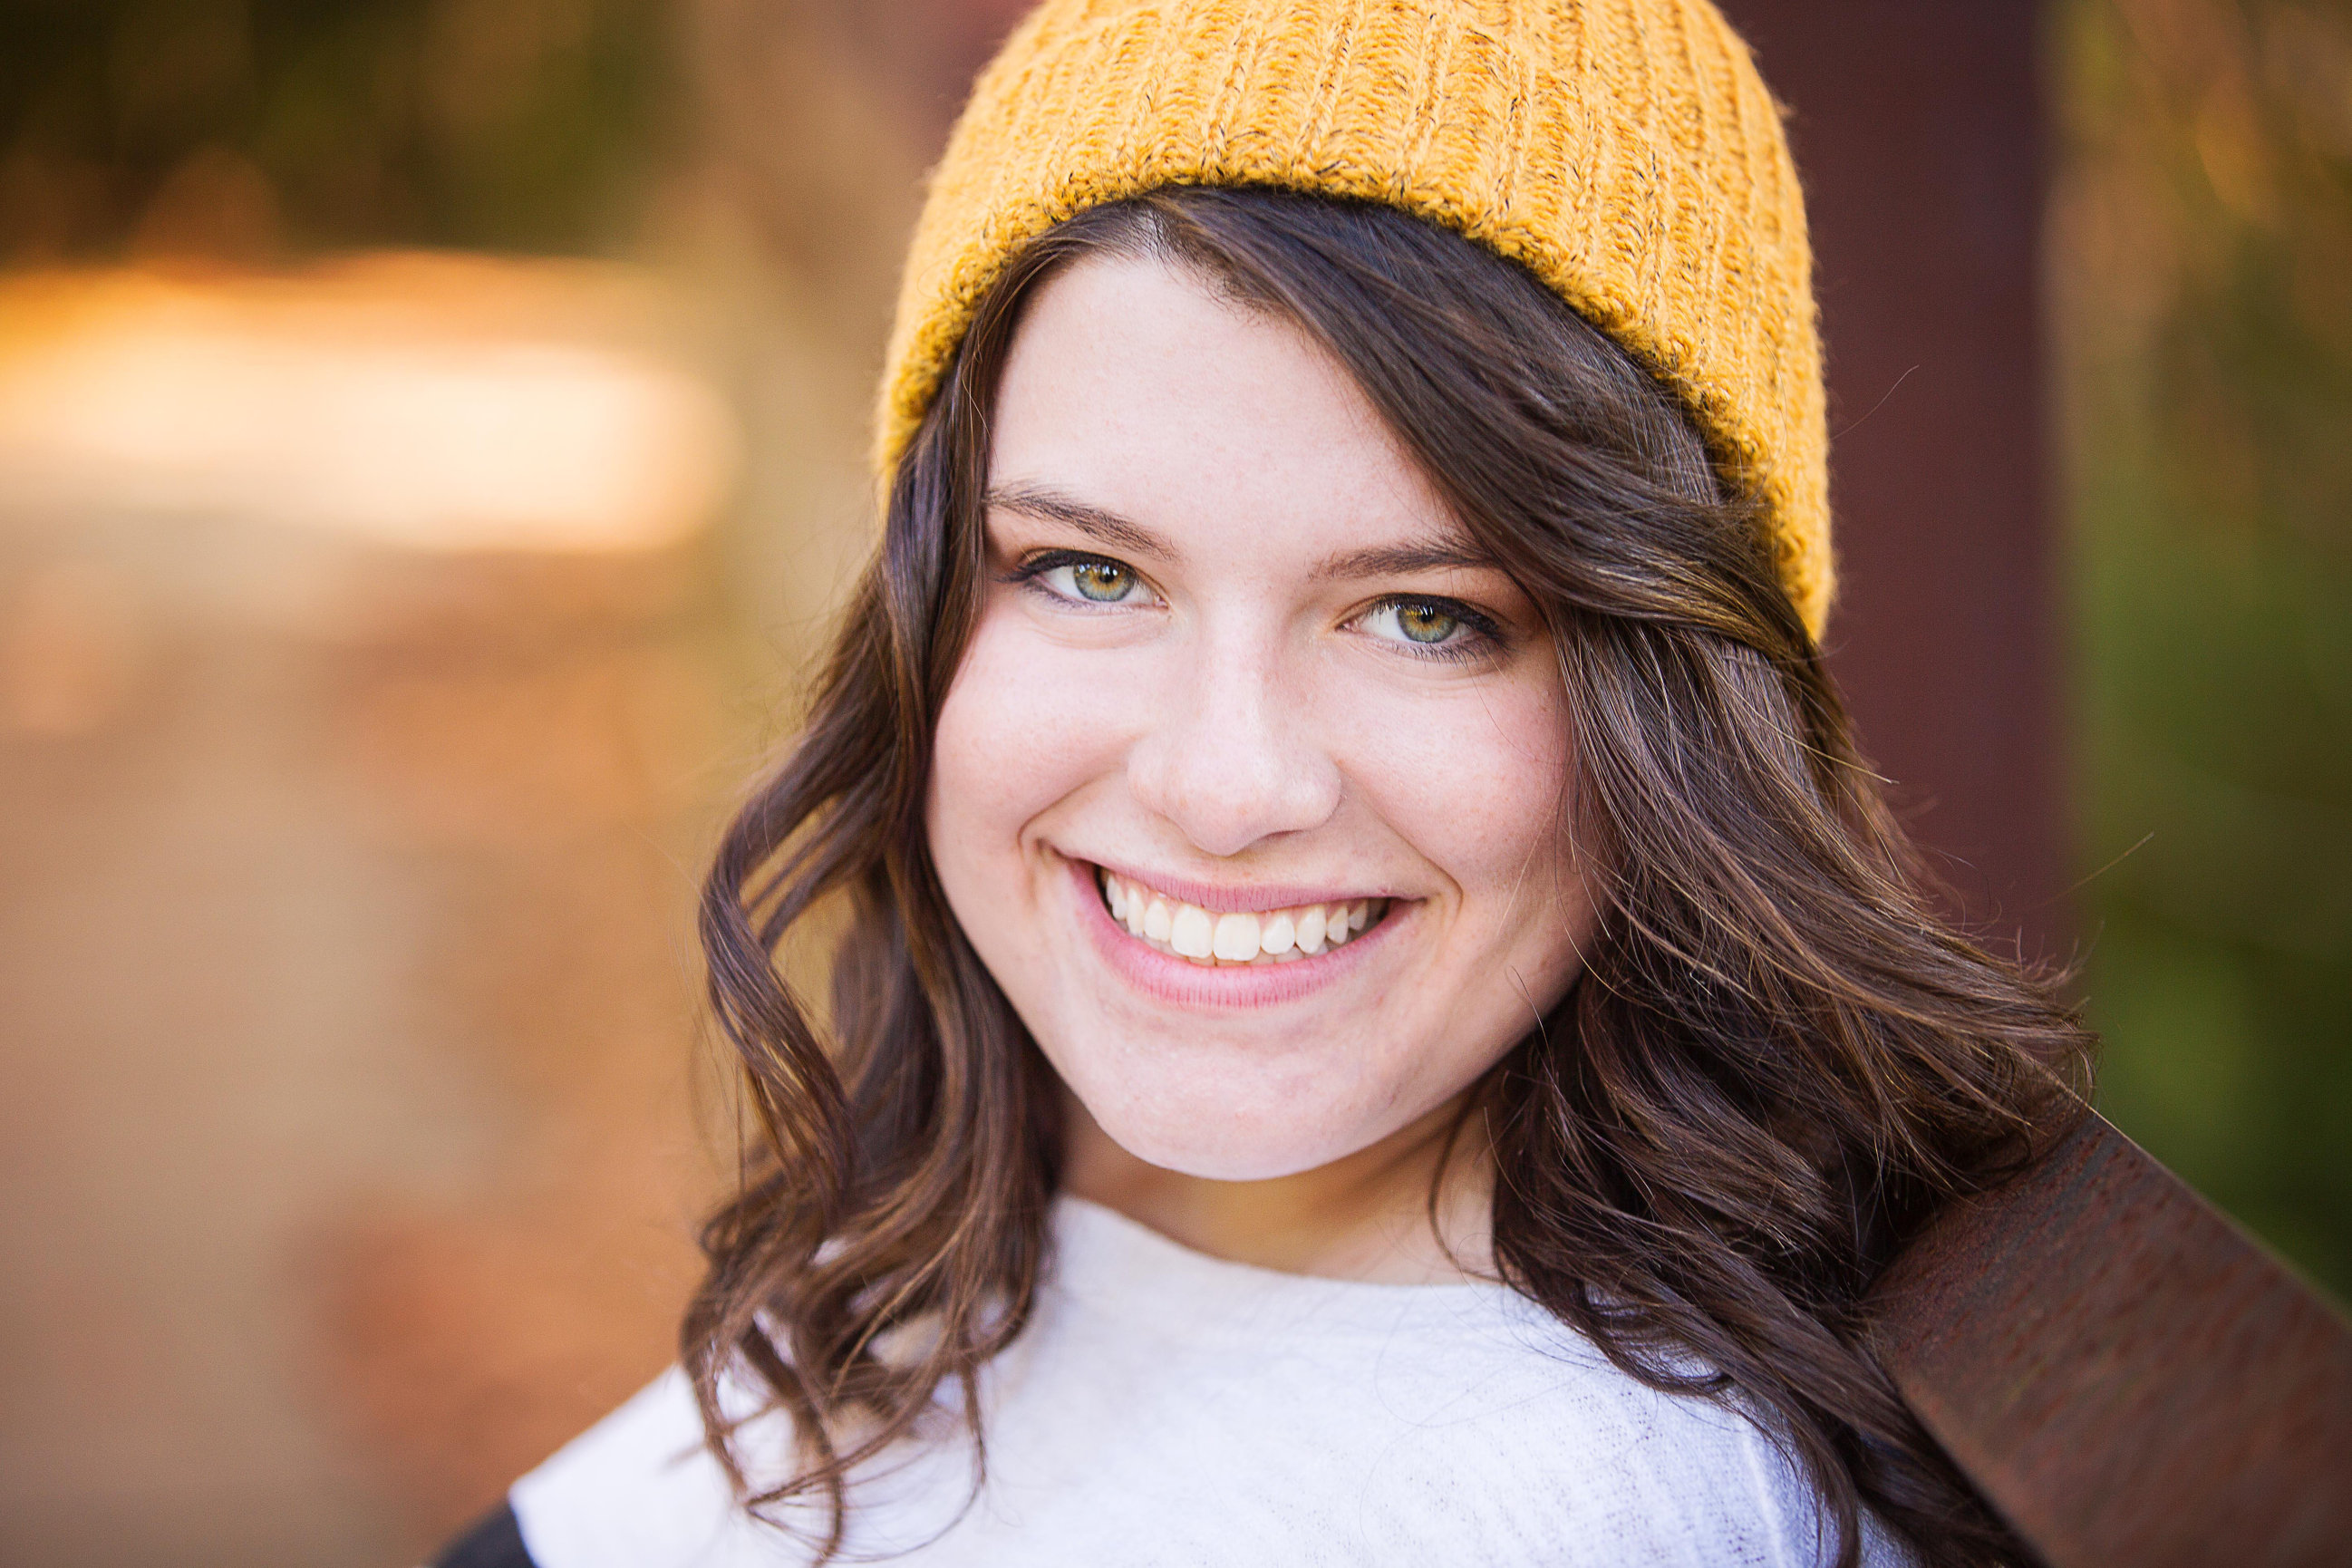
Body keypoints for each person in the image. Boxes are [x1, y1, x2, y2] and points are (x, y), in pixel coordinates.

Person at [435, 2, 2090, 1564]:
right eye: (1088, 573)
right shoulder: (924, 1263)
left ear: (1680, 708)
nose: (1225, 787)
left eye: (1428, 615)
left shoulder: (1623, 1502)